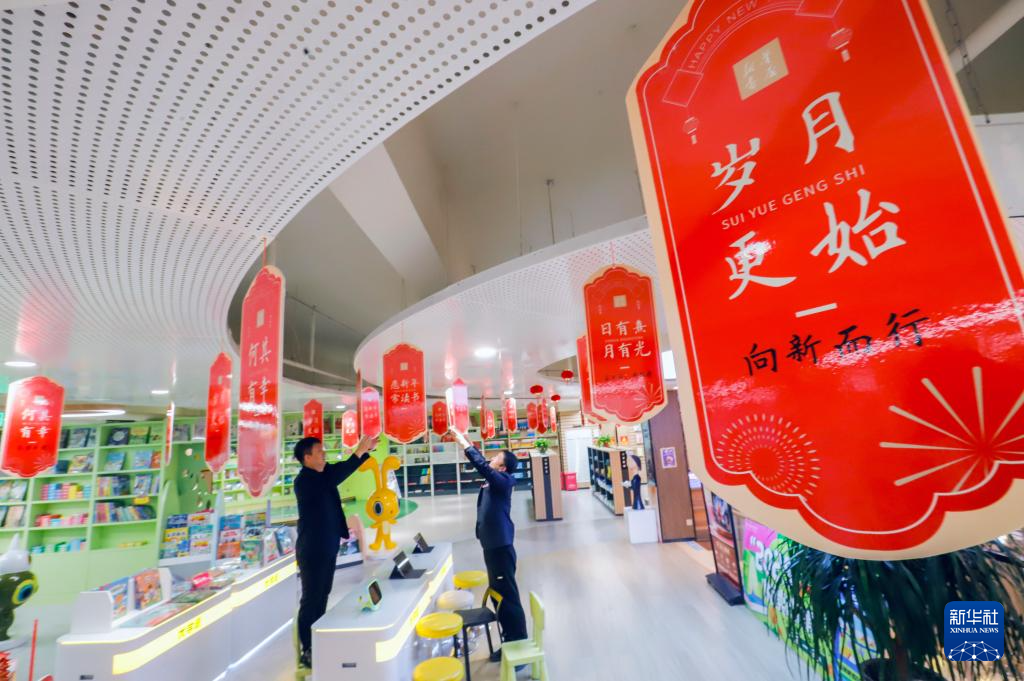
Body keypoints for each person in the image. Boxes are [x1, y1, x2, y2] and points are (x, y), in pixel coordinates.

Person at [293, 434, 378, 669]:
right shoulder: (304, 481)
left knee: (323, 594)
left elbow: (341, 469)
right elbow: (336, 475)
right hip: (312, 549)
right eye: (319, 452)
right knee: (311, 598)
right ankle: (307, 648)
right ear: (307, 458)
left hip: (327, 546)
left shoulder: (323, 473)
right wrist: (358, 450)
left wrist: (365, 450)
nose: (324, 454)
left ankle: (319, 638)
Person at [450, 427, 529, 651]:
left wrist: (465, 445)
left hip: (500, 546)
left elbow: (483, 467)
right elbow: (483, 464)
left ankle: (518, 644)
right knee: (498, 594)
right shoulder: (494, 480)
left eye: (495, 458)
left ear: (502, 467)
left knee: (508, 596)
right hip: (491, 545)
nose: (490, 459)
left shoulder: (505, 481)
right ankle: (508, 640)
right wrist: (467, 443)